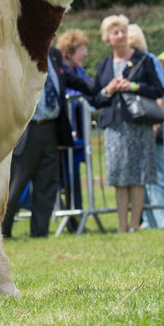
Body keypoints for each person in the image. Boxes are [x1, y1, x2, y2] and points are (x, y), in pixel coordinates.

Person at [2, 47, 91, 238]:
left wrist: (101, 89)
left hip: (50, 127)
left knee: (47, 183)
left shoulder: (54, 54)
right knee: (16, 184)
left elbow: (70, 79)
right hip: (26, 129)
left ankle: (40, 232)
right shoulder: (17, 49)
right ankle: (2, 232)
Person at [89, 15, 164, 233]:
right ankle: (122, 226)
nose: (121, 35)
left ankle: (135, 224)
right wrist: (109, 90)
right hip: (114, 125)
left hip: (139, 123)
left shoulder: (144, 59)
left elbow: (158, 89)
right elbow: (96, 98)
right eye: (115, 32)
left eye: (123, 30)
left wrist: (133, 87)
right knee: (119, 176)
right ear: (107, 39)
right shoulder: (104, 65)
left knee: (139, 175)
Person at [127, 25, 164, 229]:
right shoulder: (142, 59)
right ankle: (152, 220)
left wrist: (156, 124)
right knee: (146, 175)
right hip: (143, 124)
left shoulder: (147, 59)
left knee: (157, 173)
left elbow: (158, 92)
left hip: (153, 123)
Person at [56, 29, 93, 217]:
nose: (85, 54)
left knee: (75, 175)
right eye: (81, 50)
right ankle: (68, 214)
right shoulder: (58, 68)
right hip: (63, 133)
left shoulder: (80, 71)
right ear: (69, 51)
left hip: (79, 132)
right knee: (64, 177)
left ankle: (75, 214)